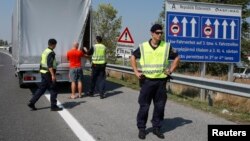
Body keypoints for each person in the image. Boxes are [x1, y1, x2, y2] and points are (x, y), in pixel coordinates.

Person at [130, 24, 180, 139]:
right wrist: (136, 72)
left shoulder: (166, 46)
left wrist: (170, 70)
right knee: (144, 106)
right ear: (152, 33)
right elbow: (133, 57)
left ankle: (157, 128)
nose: (160, 35)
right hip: (147, 81)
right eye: (157, 33)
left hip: (161, 82)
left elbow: (177, 57)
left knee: (160, 106)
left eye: (161, 33)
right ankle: (142, 128)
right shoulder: (143, 46)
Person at [28, 39, 63, 111]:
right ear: (53, 44)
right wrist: (53, 75)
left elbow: (43, 62)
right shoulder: (51, 53)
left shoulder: (45, 51)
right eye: (55, 44)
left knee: (42, 89)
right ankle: (53, 106)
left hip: (43, 72)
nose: (55, 46)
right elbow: (49, 65)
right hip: (48, 73)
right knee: (53, 89)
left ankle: (32, 102)